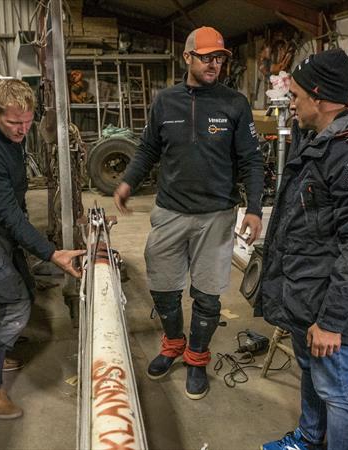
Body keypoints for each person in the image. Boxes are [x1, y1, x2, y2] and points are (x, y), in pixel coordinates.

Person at [256, 49, 348, 450]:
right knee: (311, 371)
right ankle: (308, 437)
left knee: (335, 387)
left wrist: (333, 322)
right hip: (308, 293)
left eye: (297, 96)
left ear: (319, 98)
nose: (293, 104)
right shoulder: (324, 140)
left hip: (329, 303)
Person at [114, 26, 264, 400]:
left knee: (209, 294)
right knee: (163, 286)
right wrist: (127, 182)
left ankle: (197, 358)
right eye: (207, 57)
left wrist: (256, 208)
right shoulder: (165, 102)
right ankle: (173, 343)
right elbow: (148, 148)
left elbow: (251, 160)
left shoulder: (234, 103)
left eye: (219, 58)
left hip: (216, 215)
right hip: (170, 211)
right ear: (187, 58)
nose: (214, 64)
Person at [0, 79, 84, 420]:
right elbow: (7, 212)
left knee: (25, 287)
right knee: (13, 302)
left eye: (27, 121)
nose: (22, 130)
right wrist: (52, 253)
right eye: (14, 123)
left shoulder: (12, 136)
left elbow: (13, 205)